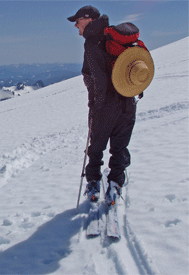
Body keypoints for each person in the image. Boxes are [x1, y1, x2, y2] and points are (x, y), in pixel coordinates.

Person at [68, 6, 136, 205]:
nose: (75, 24)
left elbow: (96, 78)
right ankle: (115, 183)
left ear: (88, 19)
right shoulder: (114, 35)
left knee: (96, 146)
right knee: (119, 146)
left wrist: (95, 106)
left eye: (78, 20)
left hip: (105, 105)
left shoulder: (92, 41)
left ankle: (93, 184)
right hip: (128, 101)